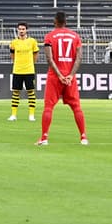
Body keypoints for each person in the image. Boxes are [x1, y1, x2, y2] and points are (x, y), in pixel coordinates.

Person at [37, 10, 87, 146]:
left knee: (48, 107)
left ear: (55, 21)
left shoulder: (49, 36)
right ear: (66, 22)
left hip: (55, 76)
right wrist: (70, 75)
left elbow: (49, 58)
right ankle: (83, 137)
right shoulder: (75, 36)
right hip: (70, 76)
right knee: (77, 107)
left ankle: (44, 138)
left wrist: (59, 75)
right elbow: (79, 58)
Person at [8, 22, 39, 122]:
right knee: (15, 92)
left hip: (29, 70)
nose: (21, 31)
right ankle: (13, 115)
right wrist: (17, 64)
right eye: (20, 29)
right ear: (17, 30)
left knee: (31, 92)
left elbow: (35, 55)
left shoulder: (32, 41)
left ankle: (31, 115)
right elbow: (12, 56)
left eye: (23, 29)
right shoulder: (14, 42)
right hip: (17, 70)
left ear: (26, 30)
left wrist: (31, 64)